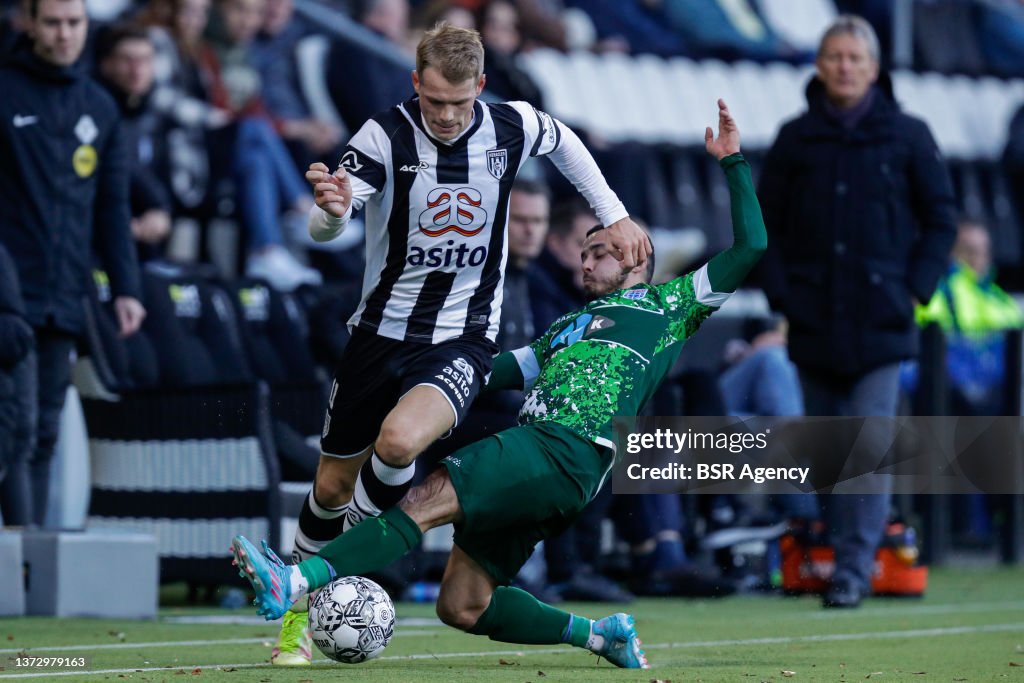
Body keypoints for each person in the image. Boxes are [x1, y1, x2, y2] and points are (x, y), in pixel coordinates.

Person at [230, 97, 763, 670]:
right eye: (583, 255)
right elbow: (491, 373)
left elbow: (750, 245)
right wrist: (412, 377)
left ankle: (296, 578)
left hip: (561, 447)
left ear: (639, 253)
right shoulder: (566, 327)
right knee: (462, 605)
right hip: (555, 472)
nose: (586, 263)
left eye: (600, 252)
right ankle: (600, 635)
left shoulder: (670, 305)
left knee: (423, 500)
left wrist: (733, 163)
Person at [273, 23, 650, 666]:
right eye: (434, 101)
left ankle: (360, 543)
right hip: (377, 334)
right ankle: (293, 627)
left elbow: (567, 144)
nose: (446, 116)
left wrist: (611, 211)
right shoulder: (384, 136)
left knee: (399, 442)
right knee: (331, 486)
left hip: (461, 337)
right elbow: (326, 224)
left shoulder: (511, 124)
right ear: (415, 83)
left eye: (459, 102)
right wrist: (333, 212)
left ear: (481, 86)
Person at [756, 15, 956, 608]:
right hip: (815, 318)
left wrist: (913, 289)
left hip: (882, 320)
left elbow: (941, 218)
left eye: (855, 58)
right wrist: (784, 296)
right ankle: (836, 552)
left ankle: (853, 568)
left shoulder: (910, 134)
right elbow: (766, 225)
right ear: (819, 65)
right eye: (835, 56)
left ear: (874, 68)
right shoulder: (795, 138)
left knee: (868, 444)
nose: (844, 67)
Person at [0, 0, 146, 526]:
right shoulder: (6, 90)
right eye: (53, 23)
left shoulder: (98, 106)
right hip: (7, 297)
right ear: (30, 25)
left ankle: (26, 566)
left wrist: (127, 288)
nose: (64, 34)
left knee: (41, 431)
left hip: (64, 294)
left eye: (74, 23)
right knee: (11, 430)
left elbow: (112, 205)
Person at [914, 219, 1023, 416]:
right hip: (954, 396)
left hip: (996, 394)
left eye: (983, 251)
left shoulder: (997, 295)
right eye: (970, 251)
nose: (978, 259)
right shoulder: (940, 291)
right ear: (953, 253)